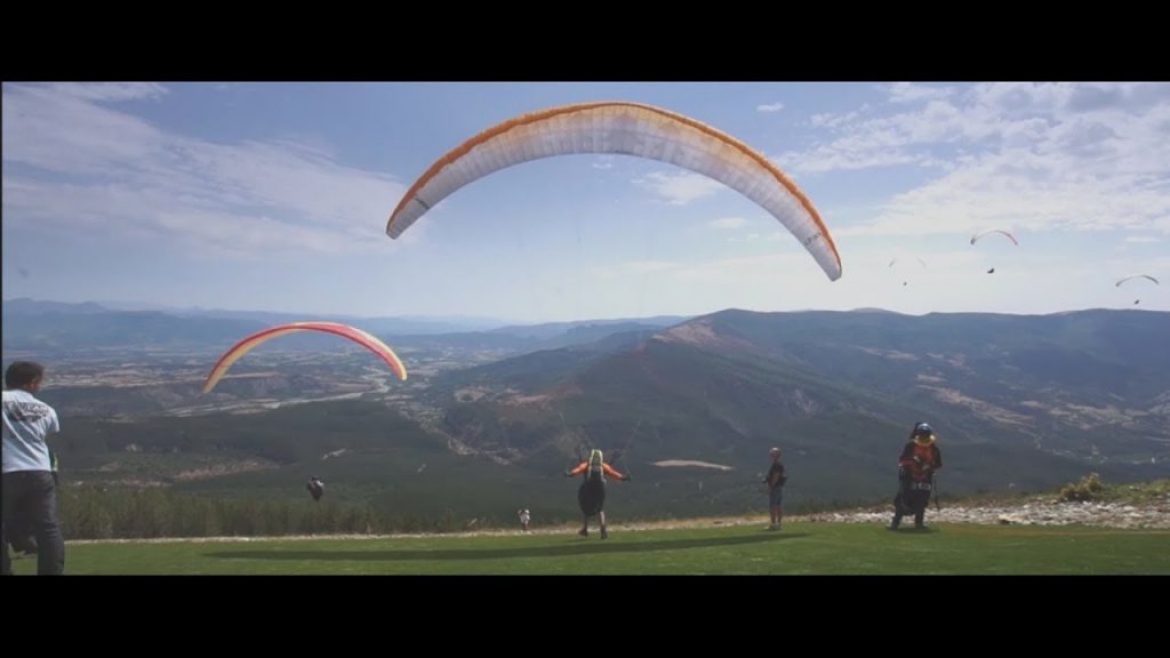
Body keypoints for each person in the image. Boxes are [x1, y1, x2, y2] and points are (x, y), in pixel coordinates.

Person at [2, 361, 66, 575]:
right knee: (48, 527)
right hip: (40, 470)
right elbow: (47, 435)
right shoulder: (47, 409)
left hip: (6, 469)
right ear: (31, 383)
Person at [564, 449, 629, 539]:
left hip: (588, 488)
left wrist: (569, 474)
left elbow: (578, 470)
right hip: (600, 489)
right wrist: (624, 478)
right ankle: (603, 529)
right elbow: (613, 473)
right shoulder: (603, 466)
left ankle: (585, 529)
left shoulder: (586, 465)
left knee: (585, 508)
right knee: (600, 509)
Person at [890, 422, 943, 531]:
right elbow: (903, 460)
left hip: (925, 478)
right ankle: (895, 523)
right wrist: (912, 463)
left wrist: (928, 466)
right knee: (903, 500)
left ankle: (919, 524)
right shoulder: (911, 446)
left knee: (922, 501)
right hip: (909, 477)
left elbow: (938, 463)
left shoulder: (933, 448)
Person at [762, 447, 787, 531]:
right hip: (779, 487)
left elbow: (775, 477)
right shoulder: (779, 465)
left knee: (773, 506)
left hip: (775, 488)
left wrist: (770, 487)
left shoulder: (776, 465)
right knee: (778, 506)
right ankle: (778, 524)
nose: (771, 455)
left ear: (777, 455)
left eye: (772, 454)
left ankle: (773, 524)